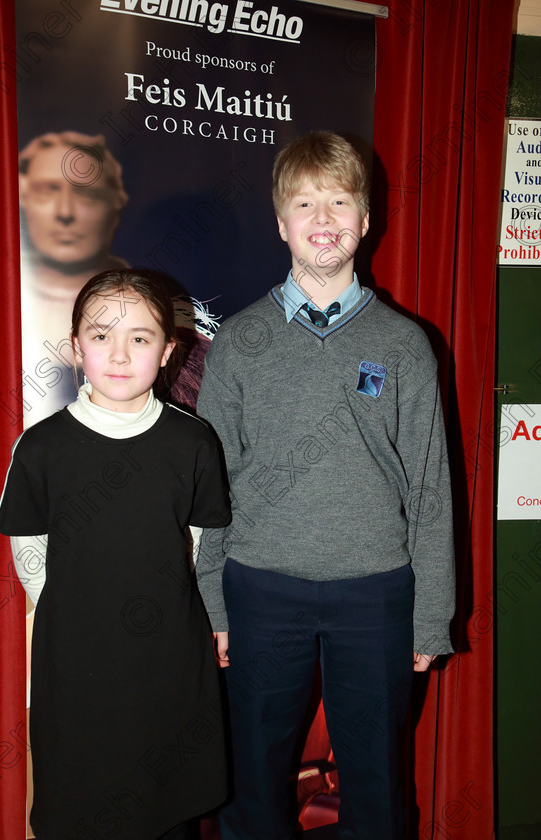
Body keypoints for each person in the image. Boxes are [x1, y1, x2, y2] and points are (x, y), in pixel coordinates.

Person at [195, 132, 455, 840]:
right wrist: (213, 600)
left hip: (375, 593)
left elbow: (431, 488)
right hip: (258, 588)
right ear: (281, 224)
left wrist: (430, 615)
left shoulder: (406, 345)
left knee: (376, 789)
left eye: (340, 200)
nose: (324, 217)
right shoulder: (240, 342)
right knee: (251, 785)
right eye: (305, 201)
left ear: (365, 220)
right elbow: (211, 488)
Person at [0, 269, 231, 840]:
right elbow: (28, 544)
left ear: (169, 350)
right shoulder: (42, 446)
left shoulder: (193, 442)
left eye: (140, 338)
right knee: (81, 802)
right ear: (76, 347)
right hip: (75, 665)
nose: (119, 354)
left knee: (167, 806)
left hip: (170, 664)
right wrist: (70, 608)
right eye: (101, 336)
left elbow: (203, 541)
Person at [19, 131, 130, 425]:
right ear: (23, 200)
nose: (64, 212)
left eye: (85, 193)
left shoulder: (151, 307)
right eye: (47, 190)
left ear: (114, 204)